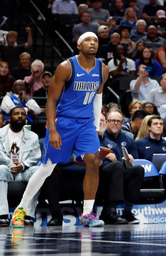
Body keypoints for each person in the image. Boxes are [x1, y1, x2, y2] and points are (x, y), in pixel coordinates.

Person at [11, 32, 108, 227]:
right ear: (79, 46)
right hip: (64, 122)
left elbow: (98, 97)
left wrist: (96, 126)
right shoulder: (66, 67)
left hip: (86, 124)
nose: (93, 43)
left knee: (94, 161)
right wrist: (53, 129)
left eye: (96, 40)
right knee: (47, 168)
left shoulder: (103, 69)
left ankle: (87, 214)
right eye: (88, 40)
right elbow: (51, 100)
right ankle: (20, 209)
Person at [98, 109, 145, 224]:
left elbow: (123, 159)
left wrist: (129, 160)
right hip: (100, 174)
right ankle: (110, 211)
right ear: (107, 122)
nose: (115, 123)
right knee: (117, 166)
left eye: (118, 121)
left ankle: (128, 211)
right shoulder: (97, 136)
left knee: (138, 169)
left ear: (123, 123)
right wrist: (103, 155)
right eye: (112, 121)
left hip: (118, 172)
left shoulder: (127, 138)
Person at [0, 107, 40, 226]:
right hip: (7, 170)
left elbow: (35, 157)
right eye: (16, 114)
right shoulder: (1, 133)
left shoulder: (33, 136)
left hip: (24, 171)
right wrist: (11, 165)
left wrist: (23, 165)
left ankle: (28, 215)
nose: (20, 116)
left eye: (23, 114)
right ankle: (2, 215)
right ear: (9, 118)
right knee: (0, 169)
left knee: (37, 171)